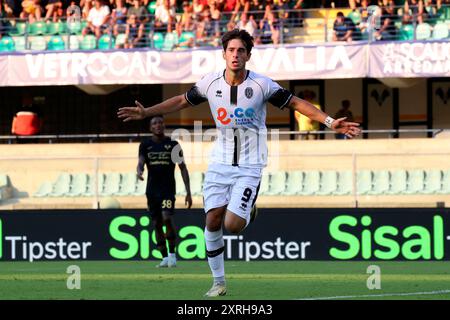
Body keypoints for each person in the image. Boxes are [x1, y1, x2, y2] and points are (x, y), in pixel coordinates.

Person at [118, 29, 361, 297]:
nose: (236, 55)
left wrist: (329, 122)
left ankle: (249, 209)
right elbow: (180, 101)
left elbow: (297, 104)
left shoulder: (262, 85)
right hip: (220, 162)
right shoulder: (210, 83)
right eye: (231, 50)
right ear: (223, 54)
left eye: (241, 50)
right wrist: (147, 112)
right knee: (212, 220)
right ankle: (218, 282)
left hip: (250, 164)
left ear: (248, 55)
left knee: (232, 226)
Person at [137, 116, 193, 268]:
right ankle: (164, 258)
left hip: (168, 190)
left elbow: (183, 167)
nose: (158, 125)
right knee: (156, 223)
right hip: (152, 191)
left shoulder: (173, 144)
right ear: (150, 127)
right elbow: (141, 161)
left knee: (166, 218)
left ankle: (172, 255)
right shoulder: (145, 145)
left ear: (164, 125)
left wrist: (188, 192)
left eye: (160, 122)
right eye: (154, 123)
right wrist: (139, 171)